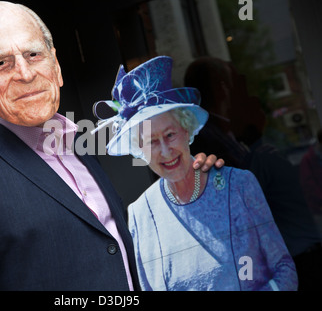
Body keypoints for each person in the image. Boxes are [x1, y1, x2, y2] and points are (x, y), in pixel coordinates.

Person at [0, 1, 221, 290]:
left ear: (56, 66)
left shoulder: (78, 146)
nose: (25, 73)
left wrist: (194, 185)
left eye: (33, 55)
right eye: (2, 63)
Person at [95, 56, 297, 290]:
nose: (164, 150)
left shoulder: (239, 186)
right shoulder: (141, 216)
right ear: (139, 150)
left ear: (186, 128)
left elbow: (284, 269)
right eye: (151, 142)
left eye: (170, 135)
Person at [185, 57, 322, 291]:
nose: (243, 94)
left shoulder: (231, 136)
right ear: (222, 89)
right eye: (236, 85)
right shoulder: (208, 138)